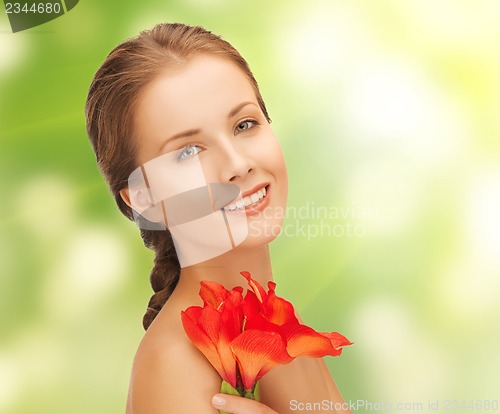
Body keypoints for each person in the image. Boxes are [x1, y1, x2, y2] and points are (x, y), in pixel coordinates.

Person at [85, 22, 350, 413]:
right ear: (145, 198)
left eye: (245, 124)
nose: (238, 165)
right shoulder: (174, 364)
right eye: (189, 151)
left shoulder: (285, 335)